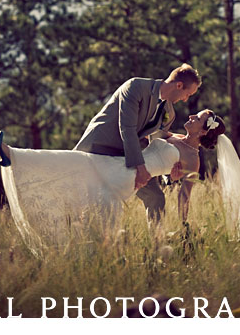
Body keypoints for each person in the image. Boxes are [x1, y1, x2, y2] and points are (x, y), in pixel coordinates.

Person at [0, 109, 223, 252]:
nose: (191, 116)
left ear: (204, 131)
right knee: (78, 162)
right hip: (121, 164)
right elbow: (155, 139)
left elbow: (184, 193)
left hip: (127, 176)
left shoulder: (193, 159)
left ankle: (17, 158)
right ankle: (15, 157)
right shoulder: (175, 137)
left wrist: (183, 224)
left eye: (198, 118)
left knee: (81, 176)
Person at [73, 64, 202, 221]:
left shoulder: (169, 112)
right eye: (187, 94)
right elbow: (127, 128)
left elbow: (157, 141)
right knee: (77, 197)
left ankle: (158, 244)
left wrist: (170, 174)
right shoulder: (135, 86)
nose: (185, 99)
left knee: (156, 197)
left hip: (127, 156)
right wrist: (140, 167)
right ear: (179, 85)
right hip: (98, 147)